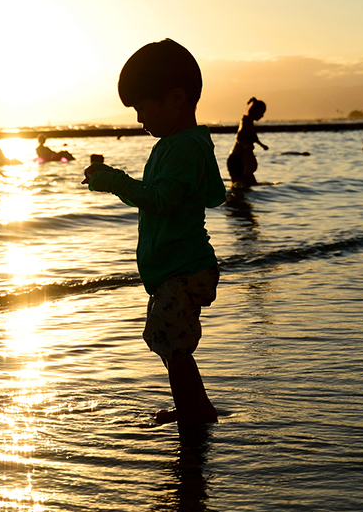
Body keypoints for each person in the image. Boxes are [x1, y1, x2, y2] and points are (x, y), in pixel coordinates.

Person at [83, 38, 226, 428]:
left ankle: (197, 412)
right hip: (183, 266)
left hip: (182, 268)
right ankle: (193, 407)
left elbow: (160, 200)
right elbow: (215, 194)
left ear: (176, 99)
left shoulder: (181, 147)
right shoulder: (188, 144)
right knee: (168, 340)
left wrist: (115, 181)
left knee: (172, 343)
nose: (139, 120)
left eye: (143, 108)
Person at [226, 97, 268, 186]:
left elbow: (254, 138)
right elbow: (239, 137)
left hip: (240, 160)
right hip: (236, 160)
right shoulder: (245, 122)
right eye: (261, 113)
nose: (262, 116)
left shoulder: (249, 123)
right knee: (242, 185)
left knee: (248, 185)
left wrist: (261, 145)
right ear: (255, 111)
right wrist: (247, 147)